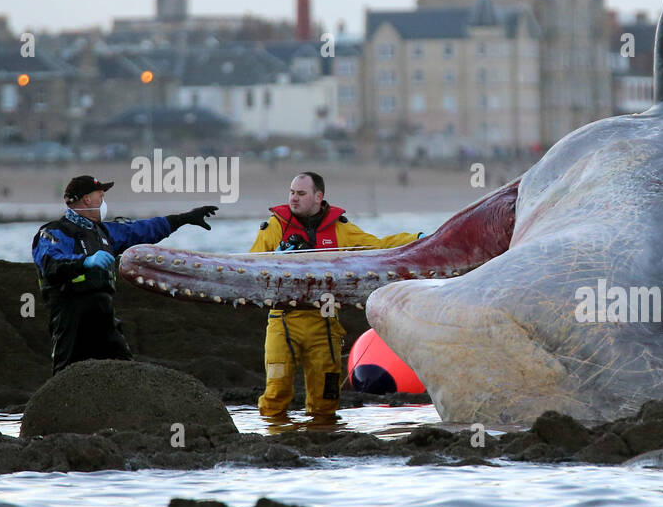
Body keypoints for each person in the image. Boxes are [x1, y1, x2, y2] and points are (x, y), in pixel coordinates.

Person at [250, 171, 422, 418]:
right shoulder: (274, 227)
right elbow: (252, 266)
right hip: (283, 320)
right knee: (276, 391)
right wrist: (274, 258)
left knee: (326, 398)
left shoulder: (340, 228)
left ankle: (321, 444)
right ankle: (273, 441)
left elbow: (377, 246)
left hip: (325, 322)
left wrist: (416, 240)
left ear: (318, 196)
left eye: (301, 193)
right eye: (291, 193)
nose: (293, 199)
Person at [31, 175, 219, 374]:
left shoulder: (105, 232)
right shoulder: (54, 232)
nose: (103, 202)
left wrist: (185, 218)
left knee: (124, 370)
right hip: (70, 313)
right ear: (87, 199)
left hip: (104, 312)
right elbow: (51, 263)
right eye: (100, 196)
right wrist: (85, 262)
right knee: (68, 372)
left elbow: (143, 230)